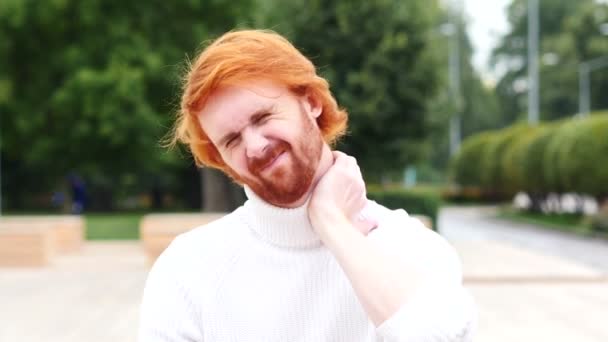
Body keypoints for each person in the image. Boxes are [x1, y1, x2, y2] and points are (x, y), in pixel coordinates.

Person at [138, 29, 476, 341]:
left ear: (311, 101)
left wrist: (332, 224)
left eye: (262, 117)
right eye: (231, 140)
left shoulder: (413, 247)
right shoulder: (187, 269)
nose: (254, 146)